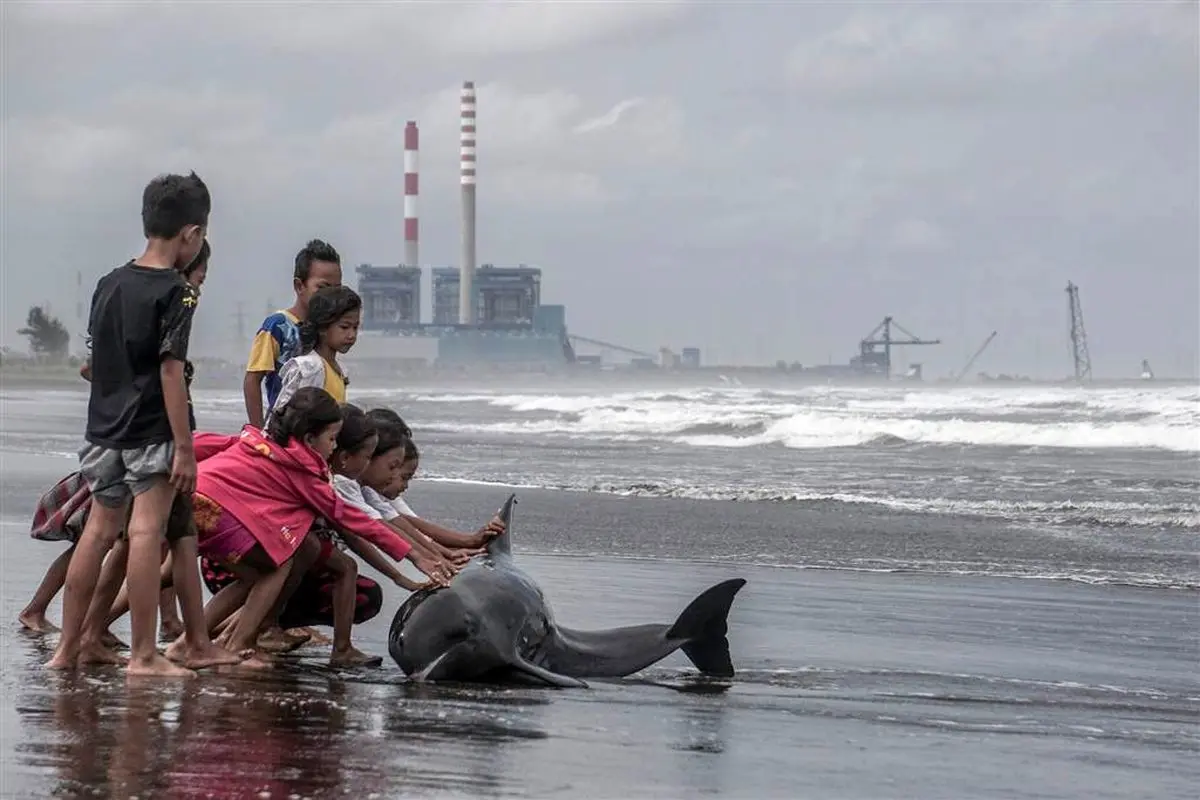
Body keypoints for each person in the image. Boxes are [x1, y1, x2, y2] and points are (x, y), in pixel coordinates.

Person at [47, 171, 210, 677]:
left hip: (103, 430)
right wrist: (184, 447)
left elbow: (96, 363)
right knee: (145, 533)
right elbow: (170, 371)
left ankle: (66, 650)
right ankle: (143, 656)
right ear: (192, 233)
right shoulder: (178, 293)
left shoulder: (109, 283)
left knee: (96, 535)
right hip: (150, 430)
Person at [188, 387, 444, 665]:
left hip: (190, 500)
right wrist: (414, 555)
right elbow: (351, 519)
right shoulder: (306, 472)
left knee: (255, 570)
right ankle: (236, 642)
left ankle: (195, 641)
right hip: (219, 514)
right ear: (311, 438)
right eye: (332, 438)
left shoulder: (265, 443)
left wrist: (169, 454)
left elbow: (208, 442)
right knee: (275, 568)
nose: (334, 446)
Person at [363, 408, 505, 552]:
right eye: (394, 466)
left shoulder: (372, 491)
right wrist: (442, 554)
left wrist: (466, 543)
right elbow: (388, 528)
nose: (394, 476)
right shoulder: (349, 485)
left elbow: (406, 523)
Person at [243, 239, 342, 429]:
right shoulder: (277, 326)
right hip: (285, 431)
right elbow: (252, 380)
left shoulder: (328, 329)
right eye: (322, 288)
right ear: (299, 286)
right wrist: (257, 433)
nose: (330, 296)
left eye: (336, 289)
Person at [267, 285, 360, 425]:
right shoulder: (310, 368)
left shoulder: (339, 370)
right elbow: (282, 417)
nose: (352, 335)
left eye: (355, 327)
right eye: (344, 327)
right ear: (322, 328)